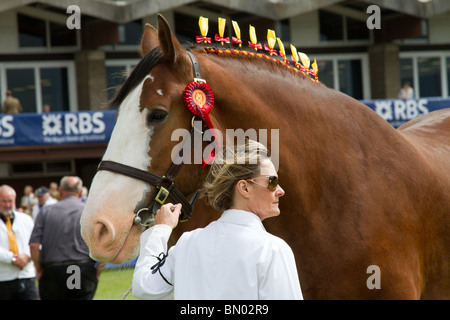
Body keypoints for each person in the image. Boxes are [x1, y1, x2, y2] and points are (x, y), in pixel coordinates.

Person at [132, 139, 303, 300]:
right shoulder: (273, 250)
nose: (280, 190)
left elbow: (145, 287)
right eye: (272, 182)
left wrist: (161, 230)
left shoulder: (187, 244)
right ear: (244, 188)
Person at [29, 176, 106, 300]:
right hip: (81, 269)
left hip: (53, 271)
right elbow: (105, 244)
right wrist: (98, 271)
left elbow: (34, 245)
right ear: (80, 192)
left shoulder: (46, 211)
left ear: (60, 191)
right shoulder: (89, 212)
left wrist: (38, 270)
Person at [0, 185, 39, 300]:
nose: (8, 205)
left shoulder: (26, 219)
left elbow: (35, 242)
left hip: (26, 276)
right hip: (3, 278)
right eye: (4, 201)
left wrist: (26, 256)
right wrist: (12, 258)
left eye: (10, 201)